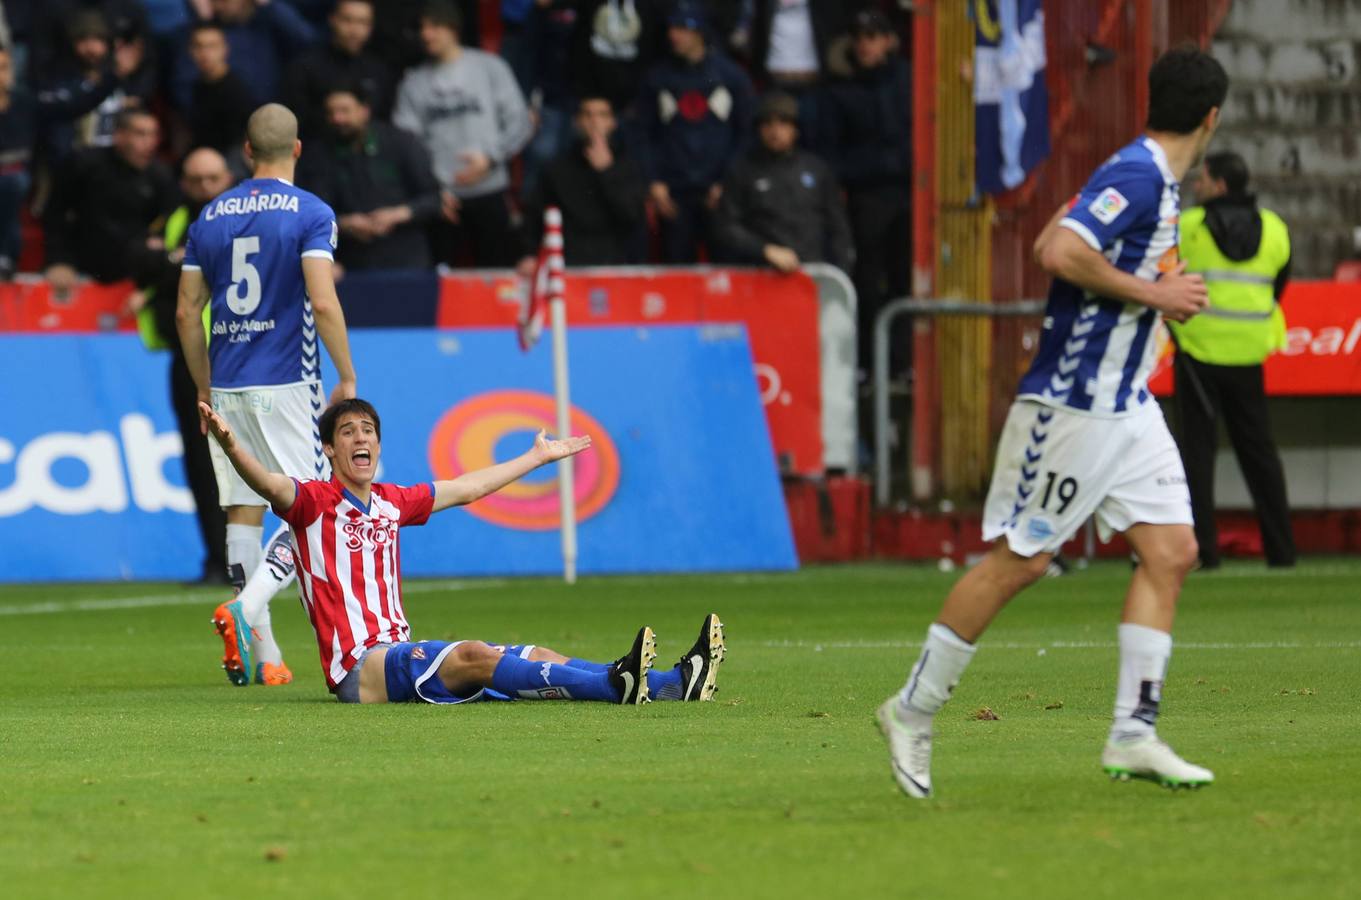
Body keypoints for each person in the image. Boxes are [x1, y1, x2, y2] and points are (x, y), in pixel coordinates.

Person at [877, 46, 1229, 797]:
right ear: (1211, 117)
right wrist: (1155, 294)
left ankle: (1133, 734)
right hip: (1071, 404)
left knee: (1170, 552)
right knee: (1021, 561)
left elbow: (1062, 248)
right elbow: (1058, 249)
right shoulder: (1136, 175)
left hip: (1125, 403)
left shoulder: (1150, 179)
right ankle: (911, 709)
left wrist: (1148, 294)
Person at [200, 396, 728, 705]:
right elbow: (269, 484)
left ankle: (672, 684)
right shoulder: (315, 502)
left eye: (368, 430)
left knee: (532, 655)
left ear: (378, 446)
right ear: (331, 449)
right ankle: (616, 684)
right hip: (359, 671)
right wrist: (231, 445)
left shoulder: (392, 502)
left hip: (397, 652)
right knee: (476, 653)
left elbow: (468, 487)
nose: (360, 438)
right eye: (347, 432)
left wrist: (535, 457)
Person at [175, 103, 359, 688]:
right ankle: (248, 609)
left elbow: (186, 311)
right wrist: (347, 377)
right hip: (286, 380)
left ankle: (269, 655)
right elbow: (322, 300)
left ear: (246, 152)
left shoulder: (209, 215)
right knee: (314, 505)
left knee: (243, 509)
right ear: (297, 149)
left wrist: (203, 384)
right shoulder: (311, 213)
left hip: (227, 381)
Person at [1171, 151, 1296, 570]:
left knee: (1197, 458)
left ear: (1220, 184)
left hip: (1196, 352)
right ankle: (1282, 554)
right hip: (1249, 353)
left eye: (1203, 179)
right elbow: (1278, 285)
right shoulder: (1276, 229)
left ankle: (1205, 553)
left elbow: (1166, 278)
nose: (1198, 185)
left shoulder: (1188, 227)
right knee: (1260, 455)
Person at [131, 148, 236, 585]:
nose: (204, 188)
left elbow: (174, 264)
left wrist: (171, 260)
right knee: (199, 461)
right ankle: (218, 559)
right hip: (188, 359)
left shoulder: (238, 219)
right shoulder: (175, 218)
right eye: (195, 180)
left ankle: (259, 560)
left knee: (252, 462)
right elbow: (140, 259)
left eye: (212, 178)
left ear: (228, 177)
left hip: (238, 355)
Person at [392, 0, 532, 268]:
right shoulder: (414, 82)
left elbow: (519, 121)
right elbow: (406, 145)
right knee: (443, 282)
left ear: (453, 29)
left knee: (497, 275)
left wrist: (491, 158)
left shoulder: (489, 67)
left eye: (435, 27)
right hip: (443, 199)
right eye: (423, 28)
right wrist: (431, 189)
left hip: (489, 190)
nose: (426, 34)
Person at [820, 8, 910, 372]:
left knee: (906, 278)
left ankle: (904, 363)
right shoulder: (841, 91)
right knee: (867, 282)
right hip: (866, 198)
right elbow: (832, 153)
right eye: (858, 38)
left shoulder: (909, 80)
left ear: (888, 40)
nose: (864, 45)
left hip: (908, 195)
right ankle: (869, 364)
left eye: (872, 37)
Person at [638, 0, 754, 263]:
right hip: (674, 194)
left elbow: (745, 134)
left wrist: (727, 182)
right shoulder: (656, 78)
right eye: (671, 28)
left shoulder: (731, 77)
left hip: (719, 193)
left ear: (700, 31)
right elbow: (644, 134)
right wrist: (654, 181)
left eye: (682, 28)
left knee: (726, 273)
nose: (673, 35)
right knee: (677, 272)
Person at [298, 83, 445, 271]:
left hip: (407, 261)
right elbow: (308, 211)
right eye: (331, 112)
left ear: (364, 111)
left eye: (345, 111)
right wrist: (343, 223)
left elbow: (435, 198)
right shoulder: (318, 155)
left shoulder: (400, 143)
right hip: (350, 265)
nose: (337, 118)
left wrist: (398, 214)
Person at [711, 90, 851, 274]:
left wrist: (840, 273)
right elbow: (726, 227)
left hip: (813, 273)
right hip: (761, 274)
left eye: (783, 123)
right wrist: (764, 250)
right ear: (759, 129)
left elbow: (838, 227)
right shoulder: (741, 171)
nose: (775, 131)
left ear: (795, 129)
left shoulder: (817, 169)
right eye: (768, 124)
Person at [43, 108, 177, 294]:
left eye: (154, 135)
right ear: (119, 136)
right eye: (140, 134)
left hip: (132, 272)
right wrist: (59, 259)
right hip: (82, 264)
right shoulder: (84, 164)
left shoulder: (161, 177)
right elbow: (55, 213)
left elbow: (166, 225)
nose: (150, 143)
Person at [520, 94, 647, 267]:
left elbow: (632, 217)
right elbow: (535, 216)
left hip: (615, 264)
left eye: (602, 115)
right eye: (587, 115)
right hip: (567, 264)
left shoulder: (628, 166)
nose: (594, 122)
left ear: (613, 123)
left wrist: (607, 171)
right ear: (576, 122)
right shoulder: (556, 168)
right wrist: (530, 254)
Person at [283, 0, 394, 140]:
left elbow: (385, 123)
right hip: (315, 152)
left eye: (362, 22)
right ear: (332, 20)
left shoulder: (379, 72)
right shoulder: (305, 67)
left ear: (371, 27)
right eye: (347, 20)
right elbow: (294, 122)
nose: (354, 30)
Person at [185, 21, 253, 156]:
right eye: (198, 46)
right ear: (190, 51)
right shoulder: (197, 86)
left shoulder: (237, 90)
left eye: (212, 46)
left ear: (225, 49)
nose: (204, 53)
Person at [0, 47, 33, 280]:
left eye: (3, 68)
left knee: (14, 181)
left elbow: (67, 107)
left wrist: (112, 79)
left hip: (9, 179)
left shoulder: (22, 103)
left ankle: (5, 257)